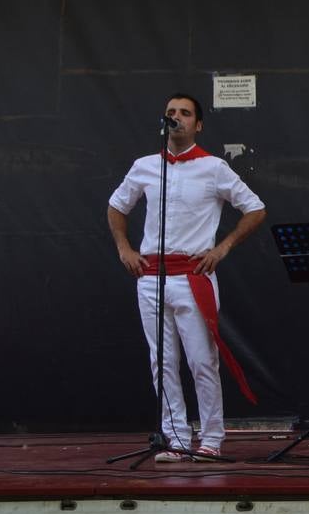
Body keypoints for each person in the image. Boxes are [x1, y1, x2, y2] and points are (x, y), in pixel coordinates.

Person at [107, 93, 266, 462]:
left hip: (192, 274)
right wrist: (124, 249)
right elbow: (117, 206)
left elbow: (255, 209)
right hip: (150, 275)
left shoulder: (213, 168)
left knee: (201, 360)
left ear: (198, 124)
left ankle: (211, 438)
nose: (175, 117)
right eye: (170, 112)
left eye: (184, 113)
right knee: (161, 361)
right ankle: (176, 437)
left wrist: (222, 248)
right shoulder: (146, 165)